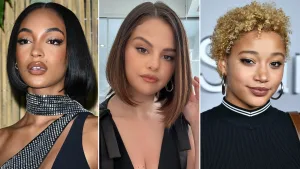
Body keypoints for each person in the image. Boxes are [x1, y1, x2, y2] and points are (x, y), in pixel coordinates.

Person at [100, 1, 199, 169]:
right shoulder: (95, 126)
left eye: (167, 56)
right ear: (122, 49)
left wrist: (196, 122)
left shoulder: (181, 125)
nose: (154, 65)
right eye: (142, 49)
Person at [201, 1, 300, 169]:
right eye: (249, 61)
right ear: (223, 64)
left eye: (275, 63)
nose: (263, 76)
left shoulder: (295, 127)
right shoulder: (197, 130)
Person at [0, 2, 98, 169]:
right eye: (25, 40)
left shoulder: (95, 134)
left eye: (52, 41)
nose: (36, 51)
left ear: (71, 53)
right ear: (15, 56)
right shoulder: (2, 140)